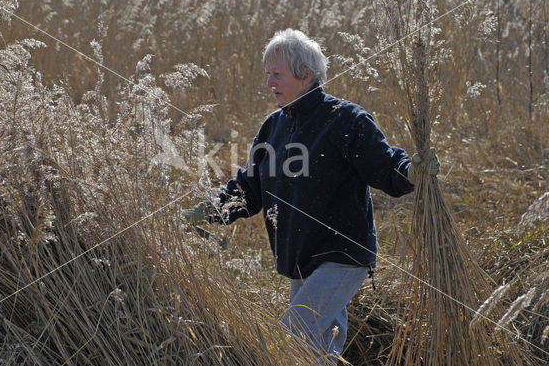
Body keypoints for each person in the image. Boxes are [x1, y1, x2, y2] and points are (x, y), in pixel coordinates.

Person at [182, 29, 439, 360]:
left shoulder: (345, 119)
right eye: (268, 74)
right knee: (316, 352)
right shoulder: (272, 128)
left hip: (342, 255)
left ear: (306, 75)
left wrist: (410, 171)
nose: (269, 82)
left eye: (278, 74)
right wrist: (207, 209)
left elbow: (383, 163)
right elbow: (250, 188)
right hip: (299, 260)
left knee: (291, 337)